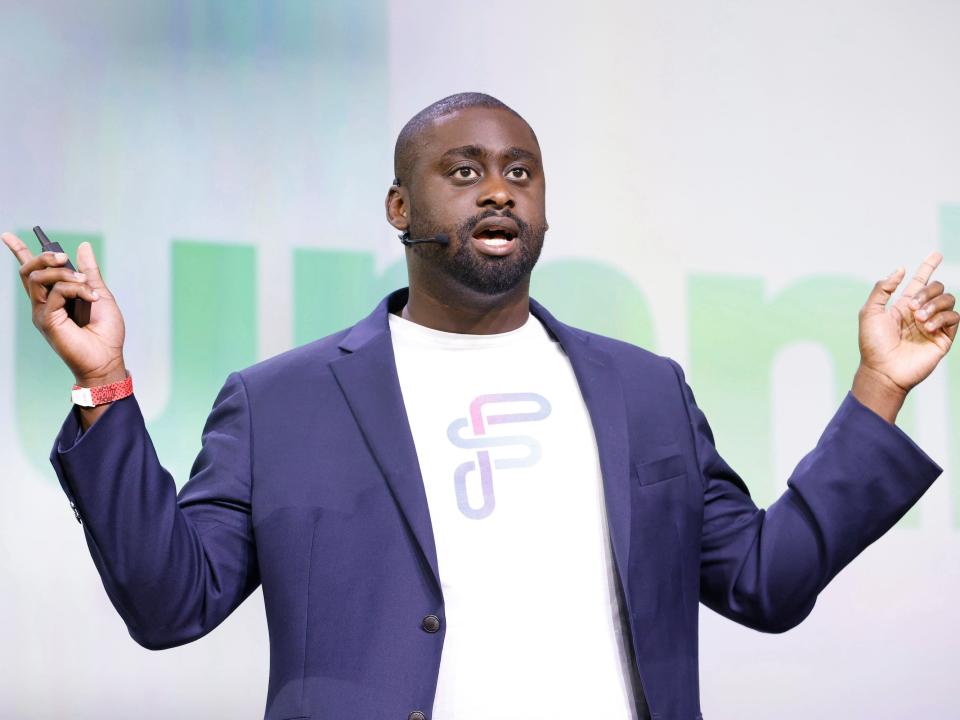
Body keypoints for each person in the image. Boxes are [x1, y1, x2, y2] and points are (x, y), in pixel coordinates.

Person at [3, 92, 956, 720]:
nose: (498, 190)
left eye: (520, 172)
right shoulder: (282, 403)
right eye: (462, 172)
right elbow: (172, 602)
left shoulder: (644, 390)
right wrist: (106, 382)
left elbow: (765, 580)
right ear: (398, 208)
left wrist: (880, 386)